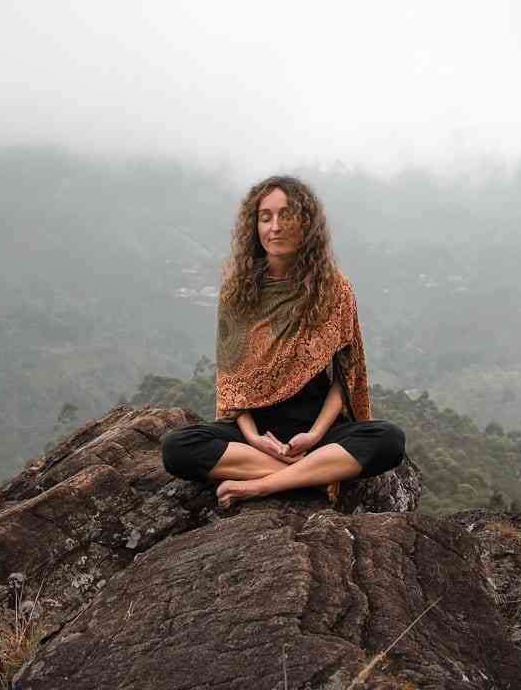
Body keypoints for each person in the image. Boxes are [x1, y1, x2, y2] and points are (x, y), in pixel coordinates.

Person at [161, 175, 405, 508]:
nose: (275, 226)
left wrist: (316, 435)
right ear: (254, 227)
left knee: (389, 440)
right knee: (177, 448)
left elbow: (345, 379)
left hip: (317, 431)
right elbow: (232, 385)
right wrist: (254, 438)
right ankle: (313, 477)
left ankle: (262, 485)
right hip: (258, 434)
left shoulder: (334, 290)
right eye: (265, 217)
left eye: (286, 215)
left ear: (306, 224)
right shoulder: (238, 293)